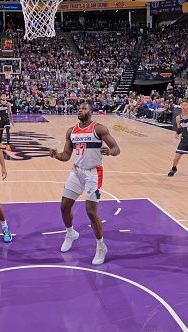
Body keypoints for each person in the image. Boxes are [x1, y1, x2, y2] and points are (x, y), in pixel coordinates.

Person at [49, 102, 120, 265]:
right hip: (76, 171)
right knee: (64, 206)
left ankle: (101, 247)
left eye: (84, 108)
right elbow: (66, 155)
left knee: (90, 212)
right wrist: (56, 155)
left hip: (93, 173)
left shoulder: (99, 129)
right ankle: (70, 233)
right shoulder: (71, 131)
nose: (80, 110)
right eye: (79, 108)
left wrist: (110, 152)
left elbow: (117, 148)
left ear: (91, 112)